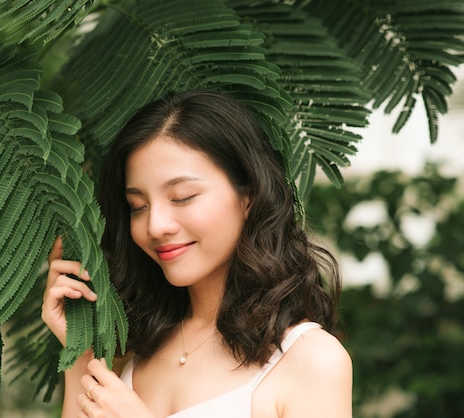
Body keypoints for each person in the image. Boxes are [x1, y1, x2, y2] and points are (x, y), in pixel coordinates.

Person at [42, 90, 352, 418]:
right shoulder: (134, 347)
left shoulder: (310, 360)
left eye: (183, 197)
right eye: (138, 206)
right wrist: (80, 352)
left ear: (250, 197)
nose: (155, 226)